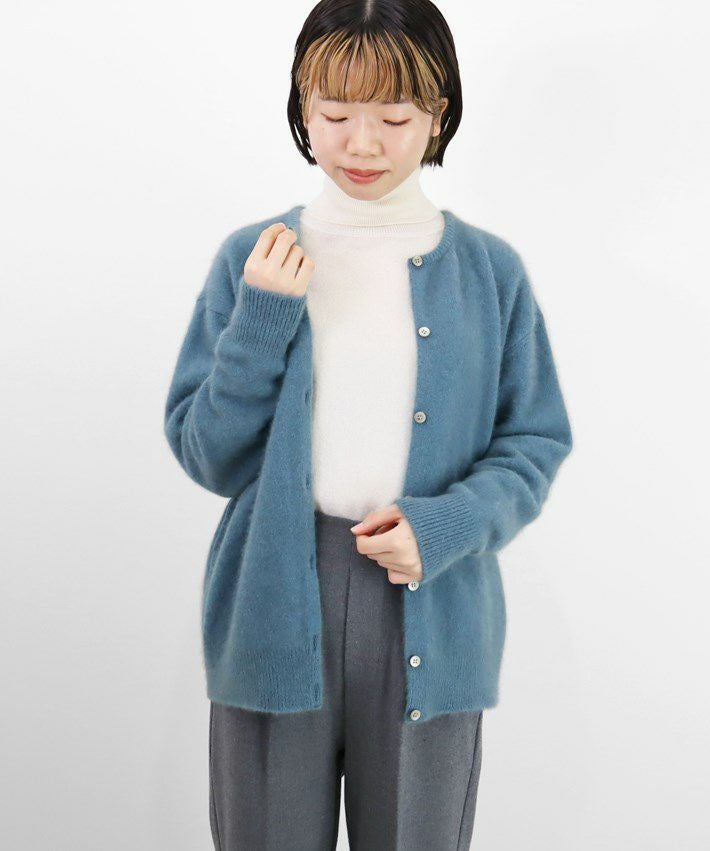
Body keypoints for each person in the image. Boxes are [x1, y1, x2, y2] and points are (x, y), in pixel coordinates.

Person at [163, 1, 573, 848]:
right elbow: (208, 455)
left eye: (393, 117)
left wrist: (446, 525)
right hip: (275, 595)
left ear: (437, 115)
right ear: (301, 110)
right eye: (334, 114)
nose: (362, 144)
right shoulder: (253, 258)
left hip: (432, 597)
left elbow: (533, 439)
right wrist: (262, 317)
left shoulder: (488, 271)